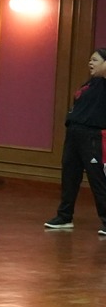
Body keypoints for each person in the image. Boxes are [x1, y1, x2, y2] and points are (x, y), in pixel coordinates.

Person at [46, 48, 106, 234]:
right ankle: (64, 216)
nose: (90, 63)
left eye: (95, 60)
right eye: (90, 59)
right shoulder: (90, 83)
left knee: (97, 178)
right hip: (74, 134)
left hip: (93, 135)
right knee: (69, 176)